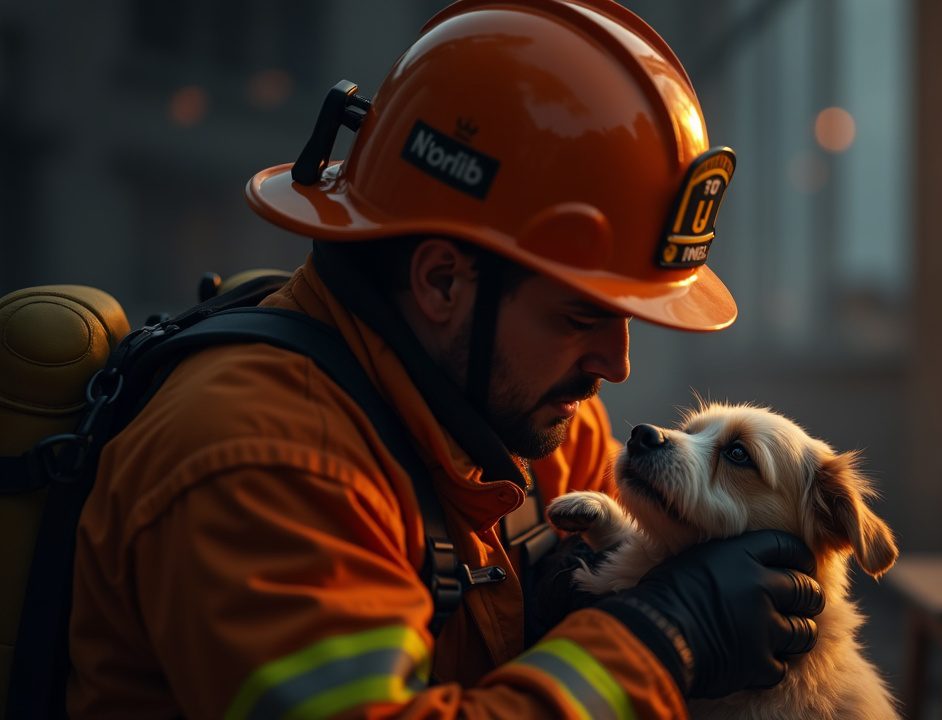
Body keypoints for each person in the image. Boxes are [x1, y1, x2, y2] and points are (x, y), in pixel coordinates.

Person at [68, 1, 825, 718]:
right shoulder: (257, 463)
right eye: (581, 316)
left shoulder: (519, 418)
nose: (615, 365)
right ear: (440, 282)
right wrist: (664, 641)